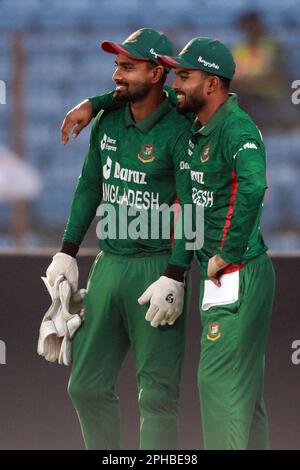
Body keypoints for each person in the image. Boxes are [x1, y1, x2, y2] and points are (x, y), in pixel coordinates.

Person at [46, 28, 194, 450]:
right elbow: (90, 186)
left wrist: (176, 275)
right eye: (116, 65)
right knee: (85, 387)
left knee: (158, 397)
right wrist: (67, 252)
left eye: (127, 67)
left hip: (158, 268)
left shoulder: (183, 128)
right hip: (109, 263)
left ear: (156, 73)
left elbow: (193, 205)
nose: (116, 74)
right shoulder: (109, 118)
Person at [156, 37, 276, 450]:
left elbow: (255, 184)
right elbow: (139, 93)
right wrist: (93, 105)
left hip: (235, 272)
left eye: (185, 75)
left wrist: (228, 251)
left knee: (217, 381)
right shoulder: (196, 118)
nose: (175, 83)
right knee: (244, 393)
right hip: (227, 274)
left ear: (212, 85)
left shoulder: (235, 128)